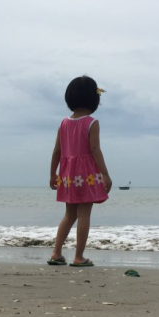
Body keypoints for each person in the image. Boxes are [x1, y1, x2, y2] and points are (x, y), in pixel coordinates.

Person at [48, 76, 112, 267]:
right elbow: (94, 149)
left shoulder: (64, 123)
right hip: (86, 176)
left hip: (68, 175)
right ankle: (78, 257)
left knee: (69, 214)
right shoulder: (92, 122)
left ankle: (56, 253)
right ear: (93, 100)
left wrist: (53, 174)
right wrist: (105, 174)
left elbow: (57, 151)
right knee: (84, 214)